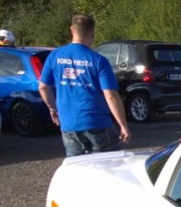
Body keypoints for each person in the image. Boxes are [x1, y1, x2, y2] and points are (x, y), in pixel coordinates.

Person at [38, 13, 131, 157]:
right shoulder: (98, 60)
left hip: (69, 124)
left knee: (78, 168)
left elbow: (43, 87)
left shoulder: (55, 56)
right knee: (109, 167)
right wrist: (123, 125)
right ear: (92, 33)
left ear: (72, 30)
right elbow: (111, 96)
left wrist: (52, 108)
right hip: (96, 121)